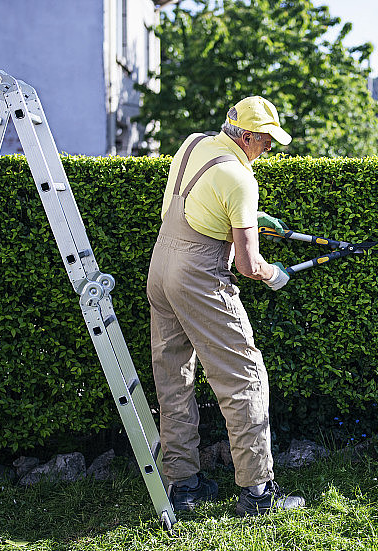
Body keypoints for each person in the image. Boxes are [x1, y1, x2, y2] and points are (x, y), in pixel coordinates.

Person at [147, 96, 305, 516]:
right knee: (244, 377)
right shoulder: (240, 178)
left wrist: (250, 216)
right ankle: (259, 494)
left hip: (161, 267)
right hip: (197, 276)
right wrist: (274, 275)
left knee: (174, 377)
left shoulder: (195, 143)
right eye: (266, 140)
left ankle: (184, 486)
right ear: (248, 137)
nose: (269, 149)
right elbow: (249, 265)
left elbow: (205, 198)